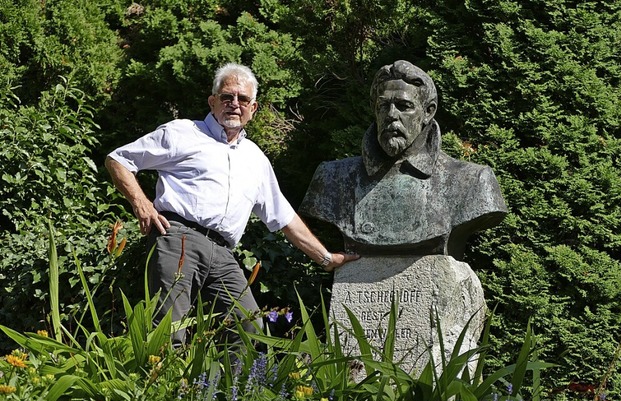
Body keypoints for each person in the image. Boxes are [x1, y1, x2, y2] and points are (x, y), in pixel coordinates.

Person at [106, 62, 358, 346]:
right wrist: (142, 203)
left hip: (224, 254)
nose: (234, 104)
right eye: (227, 97)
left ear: (254, 109)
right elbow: (119, 159)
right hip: (178, 238)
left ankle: (227, 391)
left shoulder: (256, 159)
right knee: (169, 330)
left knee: (249, 329)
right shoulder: (182, 133)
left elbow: (284, 217)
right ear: (212, 101)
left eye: (243, 99)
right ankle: (163, 388)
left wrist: (325, 258)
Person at [300, 60, 507, 260]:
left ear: (428, 112)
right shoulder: (333, 179)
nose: (391, 115)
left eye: (403, 106)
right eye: (383, 106)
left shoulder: (472, 181)